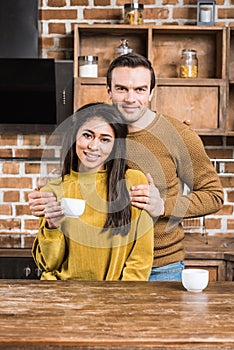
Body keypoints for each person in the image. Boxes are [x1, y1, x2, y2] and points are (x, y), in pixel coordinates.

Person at [29, 53, 224, 281]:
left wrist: (163, 206)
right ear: (109, 90)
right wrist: (47, 205)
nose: (131, 98)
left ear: (151, 92)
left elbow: (214, 195)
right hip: (104, 267)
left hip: (160, 267)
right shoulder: (96, 134)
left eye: (140, 89)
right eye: (122, 89)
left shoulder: (179, 135)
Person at [32, 103, 154, 280]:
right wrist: (51, 226)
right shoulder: (53, 189)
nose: (94, 146)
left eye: (105, 139)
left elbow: (140, 262)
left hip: (114, 299)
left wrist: (122, 300)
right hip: (61, 296)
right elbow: (48, 264)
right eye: (87, 135)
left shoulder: (133, 181)